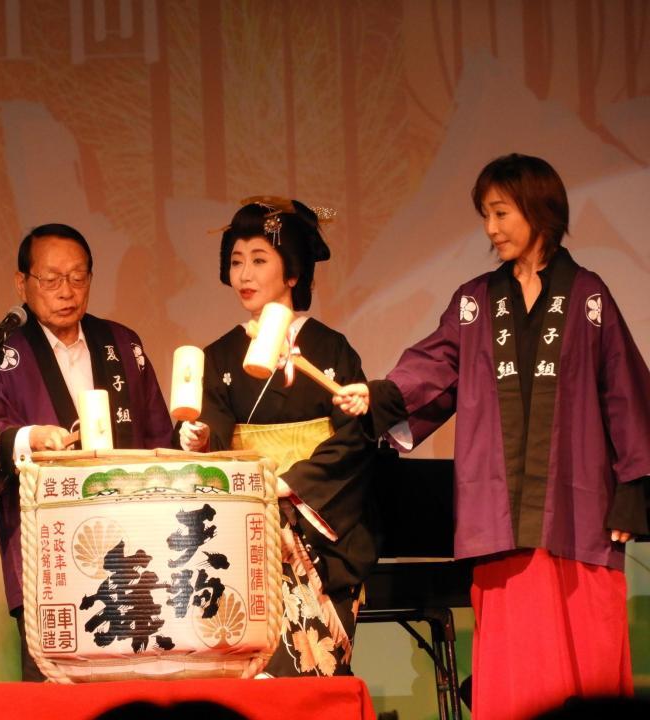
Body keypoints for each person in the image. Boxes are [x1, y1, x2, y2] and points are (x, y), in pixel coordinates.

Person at [334, 154, 650, 719]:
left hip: (579, 516)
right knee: (515, 671)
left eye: (501, 212)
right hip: (500, 519)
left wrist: (632, 487)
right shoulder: (476, 302)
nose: (490, 229)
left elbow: (625, 395)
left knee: (588, 657)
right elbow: (432, 368)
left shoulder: (589, 298)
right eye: (485, 214)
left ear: (538, 211)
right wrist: (376, 396)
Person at [0, 223, 173, 680]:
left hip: (133, 548)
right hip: (48, 548)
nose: (66, 292)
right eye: (51, 280)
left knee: (131, 686)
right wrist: (28, 437)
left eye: (78, 278)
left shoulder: (122, 345)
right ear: (22, 283)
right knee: (53, 690)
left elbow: (159, 437)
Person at [177, 198, 378, 677]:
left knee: (308, 682)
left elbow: (354, 439)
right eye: (236, 261)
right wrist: (199, 438)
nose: (244, 273)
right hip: (245, 535)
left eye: (259, 260)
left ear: (293, 273)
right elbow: (214, 429)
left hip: (315, 533)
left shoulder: (330, 350)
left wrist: (293, 483)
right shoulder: (220, 357)